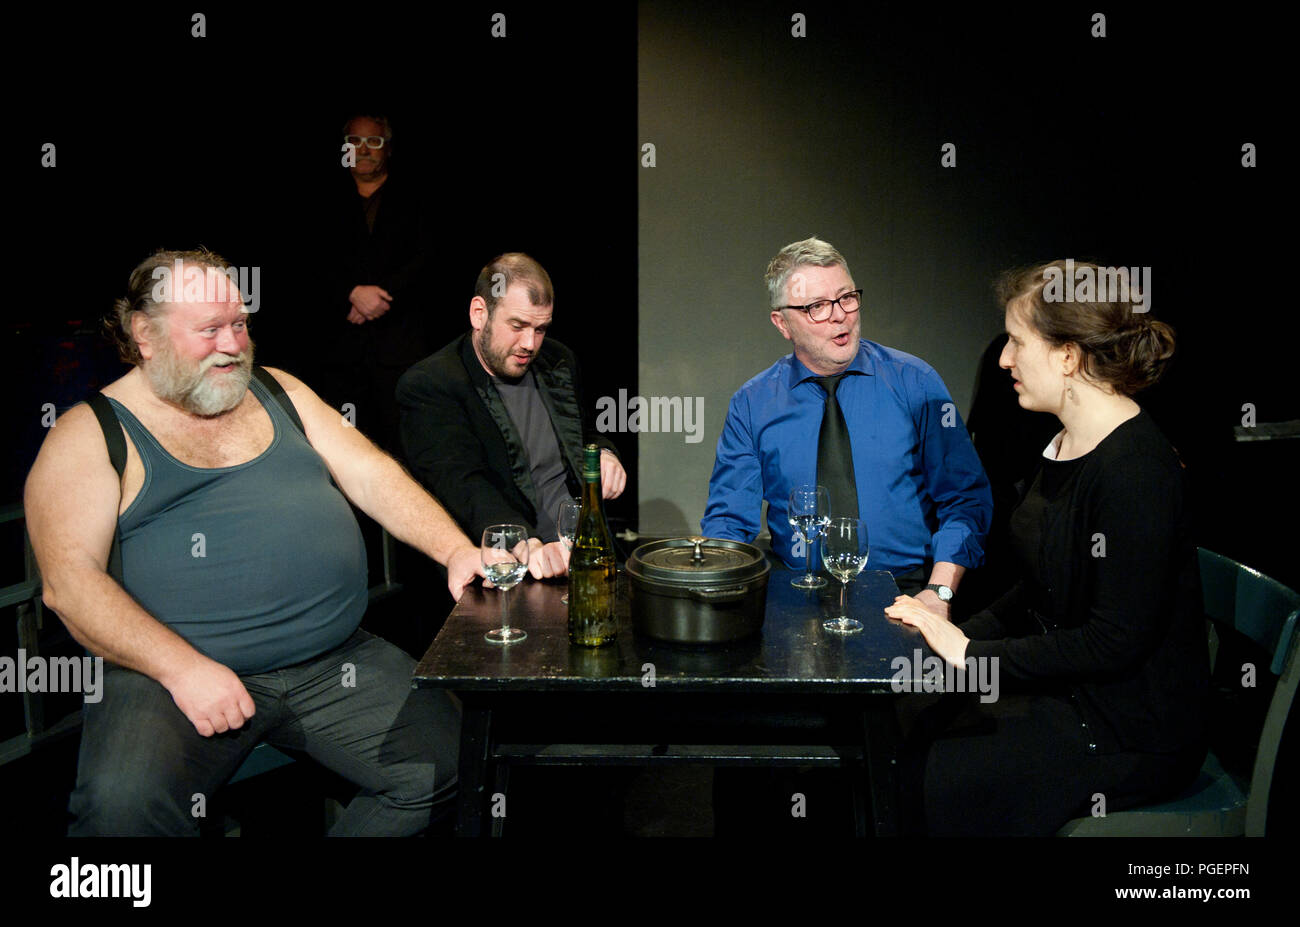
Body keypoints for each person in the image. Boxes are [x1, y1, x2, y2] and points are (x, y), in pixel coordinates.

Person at [24, 248, 483, 836]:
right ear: (145, 334)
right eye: (209, 329)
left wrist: (454, 549)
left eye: (239, 323)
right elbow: (70, 585)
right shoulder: (88, 433)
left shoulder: (278, 389)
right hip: (166, 676)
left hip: (334, 659)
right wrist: (183, 669)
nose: (233, 343)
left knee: (455, 764)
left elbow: (372, 473)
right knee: (119, 814)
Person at [884, 259, 1209, 836]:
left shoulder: (1136, 471)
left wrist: (973, 658)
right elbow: (1037, 587)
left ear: (1067, 356)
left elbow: (1114, 642)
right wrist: (945, 629)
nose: (1004, 359)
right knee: (906, 711)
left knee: (940, 771)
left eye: (1016, 341)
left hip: (1126, 727)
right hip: (1071, 692)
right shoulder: (1064, 440)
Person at [702, 237, 993, 613]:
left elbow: (964, 497)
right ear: (783, 323)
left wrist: (939, 593)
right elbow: (728, 522)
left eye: (846, 298)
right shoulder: (753, 403)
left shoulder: (915, 382)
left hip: (906, 591)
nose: (840, 315)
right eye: (817, 307)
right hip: (797, 592)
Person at [397, 253, 625, 581]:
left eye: (541, 329)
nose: (529, 344)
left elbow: (582, 433)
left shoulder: (557, 361)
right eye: (517, 326)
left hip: (581, 549)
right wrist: (524, 544)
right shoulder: (433, 384)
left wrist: (603, 453)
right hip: (511, 565)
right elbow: (463, 484)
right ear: (479, 313)